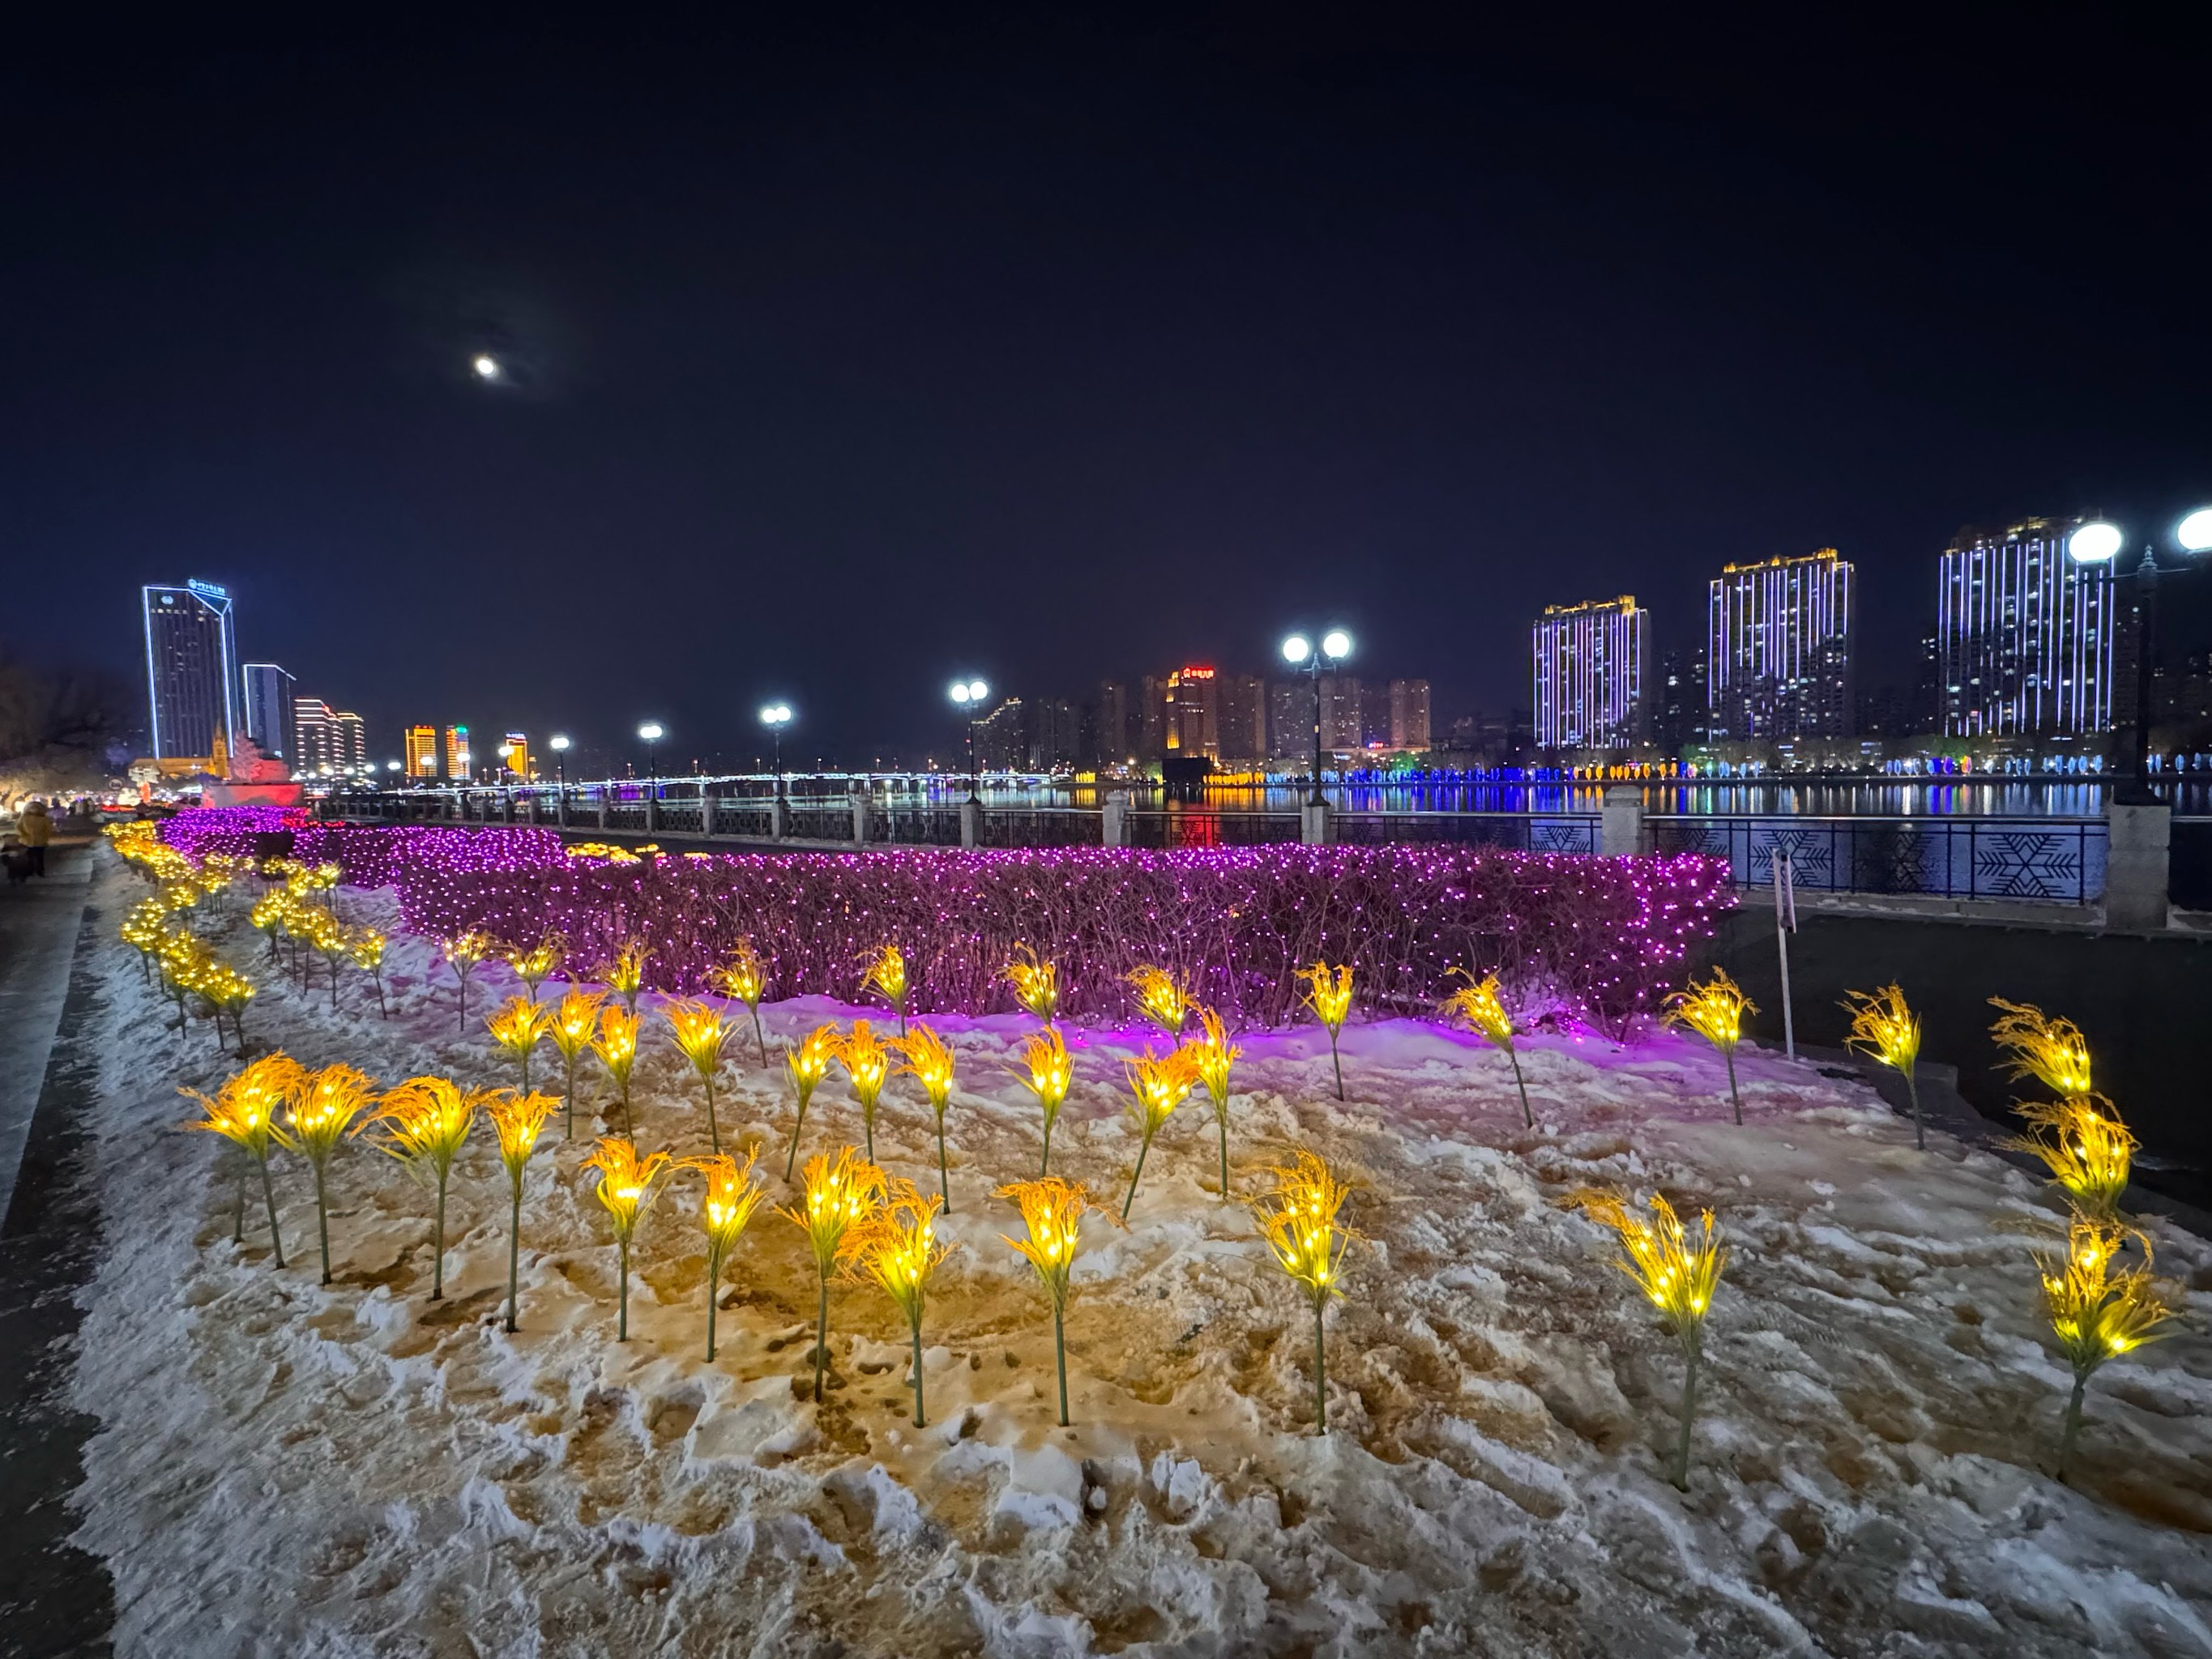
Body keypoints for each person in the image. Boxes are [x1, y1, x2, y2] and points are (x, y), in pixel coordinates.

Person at [16, 798, 53, 877]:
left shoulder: (43, 818)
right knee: (29, 857)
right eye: (32, 808)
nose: (34, 810)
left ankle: (40, 871)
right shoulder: (24, 818)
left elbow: (48, 829)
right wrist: (23, 835)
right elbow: (19, 827)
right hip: (27, 841)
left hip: (40, 841)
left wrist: (44, 836)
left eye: (36, 808)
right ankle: (30, 871)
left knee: (40, 857)